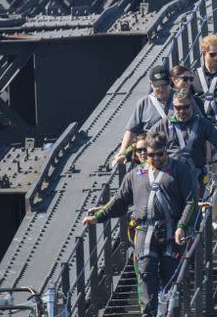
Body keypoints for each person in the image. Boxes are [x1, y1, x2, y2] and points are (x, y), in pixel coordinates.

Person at [83, 132, 197, 317]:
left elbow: (191, 201)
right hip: (144, 230)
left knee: (171, 275)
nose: (156, 158)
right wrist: (98, 217)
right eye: (151, 155)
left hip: (171, 230)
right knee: (145, 273)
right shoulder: (135, 175)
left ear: (166, 151)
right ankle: (149, 313)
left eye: (160, 154)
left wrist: (181, 226)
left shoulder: (179, 170)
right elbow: (119, 201)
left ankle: (172, 312)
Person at [148, 86, 217, 182]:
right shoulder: (163, 124)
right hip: (170, 176)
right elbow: (146, 142)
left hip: (195, 176)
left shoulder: (203, 124)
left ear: (192, 105)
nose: (182, 111)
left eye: (186, 107)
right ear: (173, 106)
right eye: (178, 108)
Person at [112, 65, 174, 168]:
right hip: (151, 156)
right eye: (157, 86)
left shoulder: (181, 100)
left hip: (174, 153)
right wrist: (122, 152)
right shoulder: (143, 103)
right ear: (150, 84)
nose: (161, 89)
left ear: (170, 81)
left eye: (164, 85)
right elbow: (132, 130)